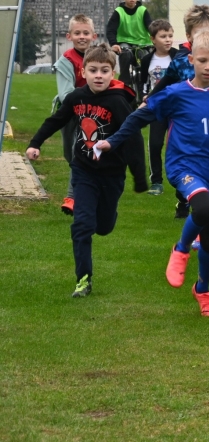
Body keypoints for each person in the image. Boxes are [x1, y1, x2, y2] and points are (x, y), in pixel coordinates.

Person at [95, 31, 209, 318]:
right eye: (202, 60)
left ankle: (202, 290)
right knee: (201, 206)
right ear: (191, 60)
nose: (208, 66)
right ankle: (181, 249)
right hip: (184, 167)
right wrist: (112, 140)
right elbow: (140, 116)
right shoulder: (175, 94)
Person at [27, 45, 138, 298]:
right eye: (93, 70)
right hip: (83, 170)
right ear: (83, 71)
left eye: (104, 70)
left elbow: (132, 137)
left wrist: (139, 175)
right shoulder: (76, 97)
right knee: (82, 225)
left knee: (103, 226)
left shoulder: (119, 102)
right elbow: (55, 120)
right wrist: (35, 143)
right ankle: (83, 279)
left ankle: (108, 216)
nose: (98, 75)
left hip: (111, 174)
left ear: (113, 73)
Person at [149, 4, 209, 228]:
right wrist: (150, 98)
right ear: (189, 36)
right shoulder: (182, 60)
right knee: (190, 173)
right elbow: (167, 81)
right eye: (200, 33)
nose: (207, 37)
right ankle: (186, 199)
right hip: (187, 130)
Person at [52, 14, 98, 215]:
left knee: (79, 151)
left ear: (94, 35)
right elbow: (66, 94)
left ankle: (72, 197)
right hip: (69, 113)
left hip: (91, 115)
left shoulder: (98, 58)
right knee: (70, 154)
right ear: (69, 36)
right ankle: (83, 185)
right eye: (77, 33)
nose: (82, 36)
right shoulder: (66, 61)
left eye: (86, 33)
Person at [138, 19, 178, 195]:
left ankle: (181, 179)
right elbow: (143, 84)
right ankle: (156, 182)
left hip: (177, 108)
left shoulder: (178, 56)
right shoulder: (147, 60)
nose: (168, 39)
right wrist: (145, 101)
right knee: (155, 144)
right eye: (163, 36)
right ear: (153, 39)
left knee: (177, 145)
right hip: (157, 108)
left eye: (170, 36)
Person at [106, 0, 153, 93]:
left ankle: (145, 85)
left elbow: (150, 26)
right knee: (125, 54)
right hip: (125, 42)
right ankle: (124, 82)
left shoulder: (142, 10)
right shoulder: (119, 12)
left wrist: (155, 39)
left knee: (144, 58)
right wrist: (114, 44)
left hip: (143, 43)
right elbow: (111, 29)